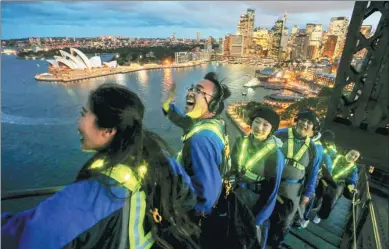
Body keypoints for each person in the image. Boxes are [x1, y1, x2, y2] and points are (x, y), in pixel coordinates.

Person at [2, 83, 200, 249]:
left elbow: (26, 235)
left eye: (84, 113)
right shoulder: (160, 157)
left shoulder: (101, 191)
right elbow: (188, 197)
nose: (78, 122)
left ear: (108, 131)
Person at [162, 72, 232, 248]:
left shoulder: (201, 139)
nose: (191, 92)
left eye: (199, 90)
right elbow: (186, 122)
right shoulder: (216, 122)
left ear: (213, 104)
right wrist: (168, 106)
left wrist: (194, 215)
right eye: (192, 88)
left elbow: (206, 191)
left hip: (197, 213)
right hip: (221, 195)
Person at [230, 104, 285, 249]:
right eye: (257, 121)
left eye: (265, 124)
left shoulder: (275, 155)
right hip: (236, 193)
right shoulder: (241, 141)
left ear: (271, 129)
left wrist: (259, 218)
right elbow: (233, 165)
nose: (259, 127)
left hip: (256, 199)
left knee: (251, 236)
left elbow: (272, 190)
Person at [268, 110, 322, 249]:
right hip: (271, 182)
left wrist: (307, 193)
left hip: (292, 190)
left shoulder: (313, 148)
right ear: (297, 120)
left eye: (309, 123)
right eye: (303, 119)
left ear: (313, 128)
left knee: (285, 219)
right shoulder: (281, 134)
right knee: (265, 211)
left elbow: (313, 172)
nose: (304, 123)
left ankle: (275, 243)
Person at [297, 130, 337, 228]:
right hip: (314, 175)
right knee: (310, 197)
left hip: (312, 175)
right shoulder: (327, 149)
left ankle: (304, 218)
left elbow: (328, 165)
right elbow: (329, 167)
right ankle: (303, 218)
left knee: (309, 197)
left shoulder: (322, 148)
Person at [311, 149, 360, 224]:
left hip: (337, 184)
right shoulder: (336, 156)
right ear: (347, 152)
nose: (353, 156)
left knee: (330, 201)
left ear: (356, 159)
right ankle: (312, 207)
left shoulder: (354, 168)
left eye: (355, 157)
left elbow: (352, 179)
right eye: (352, 154)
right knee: (316, 195)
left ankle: (319, 215)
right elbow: (325, 155)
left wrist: (351, 188)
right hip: (325, 178)